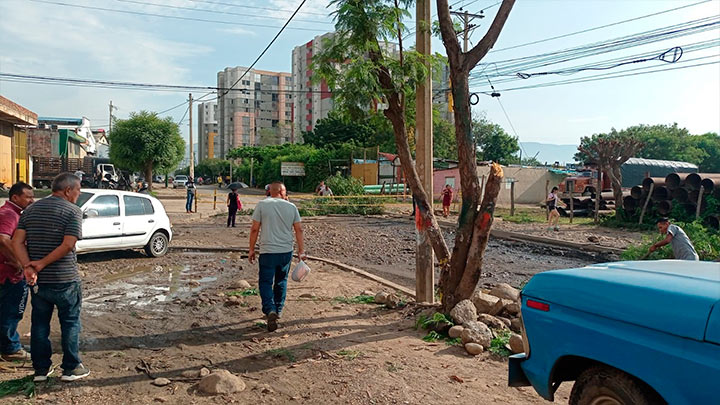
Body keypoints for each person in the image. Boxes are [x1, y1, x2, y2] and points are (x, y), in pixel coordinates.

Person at [11, 173, 90, 382]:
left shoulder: (30, 210)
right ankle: (71, 368)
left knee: (39, 324)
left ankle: (41, 370)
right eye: (78, 190)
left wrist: (28, 267)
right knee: (70, 323)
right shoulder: (73, 211)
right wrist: (40, 264)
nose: (78, 194)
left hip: (39, 282)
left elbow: (16, 242)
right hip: (65, 279)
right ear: (67, 190)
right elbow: (68, 244)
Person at [248, 182, 305, 332]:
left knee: (265, 282)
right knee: (281, 281)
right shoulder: (291, 207)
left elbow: (254, 229)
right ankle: (278, 310)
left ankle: (269, 309)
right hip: (286, 251)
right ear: (281, 191)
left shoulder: (262, 205)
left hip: (268, 251)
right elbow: (299, 229)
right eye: (285, 191)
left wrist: (251, 249)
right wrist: (301, 251)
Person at [0, 182, 34, 363]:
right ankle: (10, 349)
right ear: (15, 197)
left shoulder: (12, 213)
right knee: (12, 311)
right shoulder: (9, 214)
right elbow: (3, 240)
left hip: (5, 272)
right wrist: (19, 262)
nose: (32, 200)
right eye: (28, 197)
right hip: (9, 274)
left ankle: (7, 344)